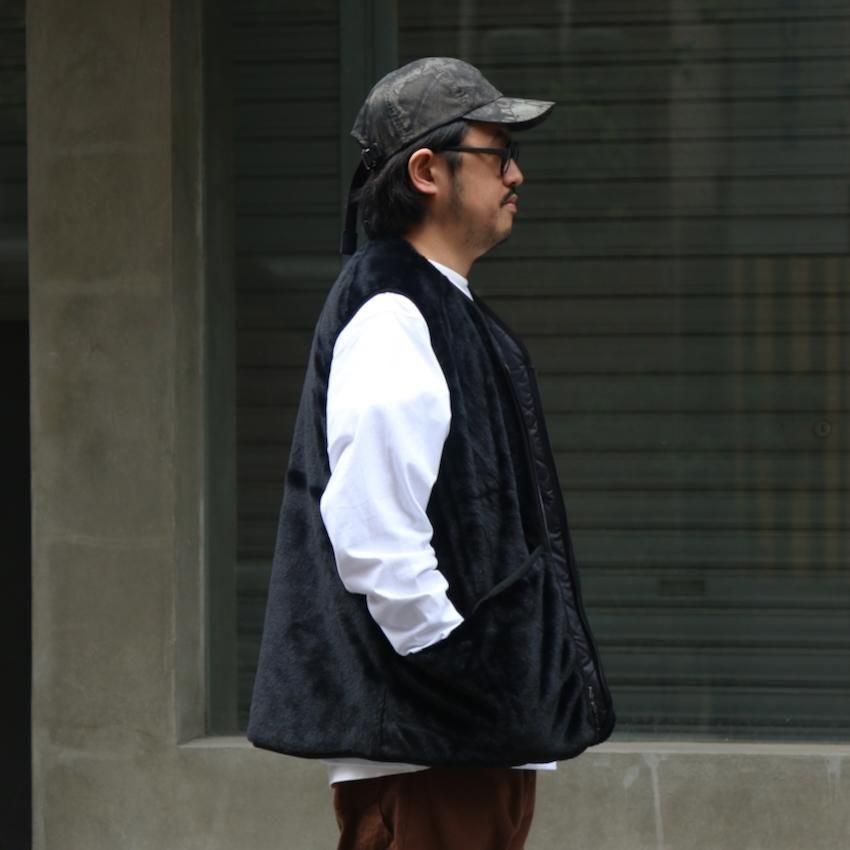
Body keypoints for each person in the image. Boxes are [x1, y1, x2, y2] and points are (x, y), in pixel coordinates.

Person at [248, 57, 615, 850]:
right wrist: (462, 673)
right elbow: (374, 535)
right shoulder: (393, 313)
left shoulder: (439, 305)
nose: (515, 175)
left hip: (457, 743)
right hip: (431, 749)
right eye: (498, 153)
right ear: (426, 171)